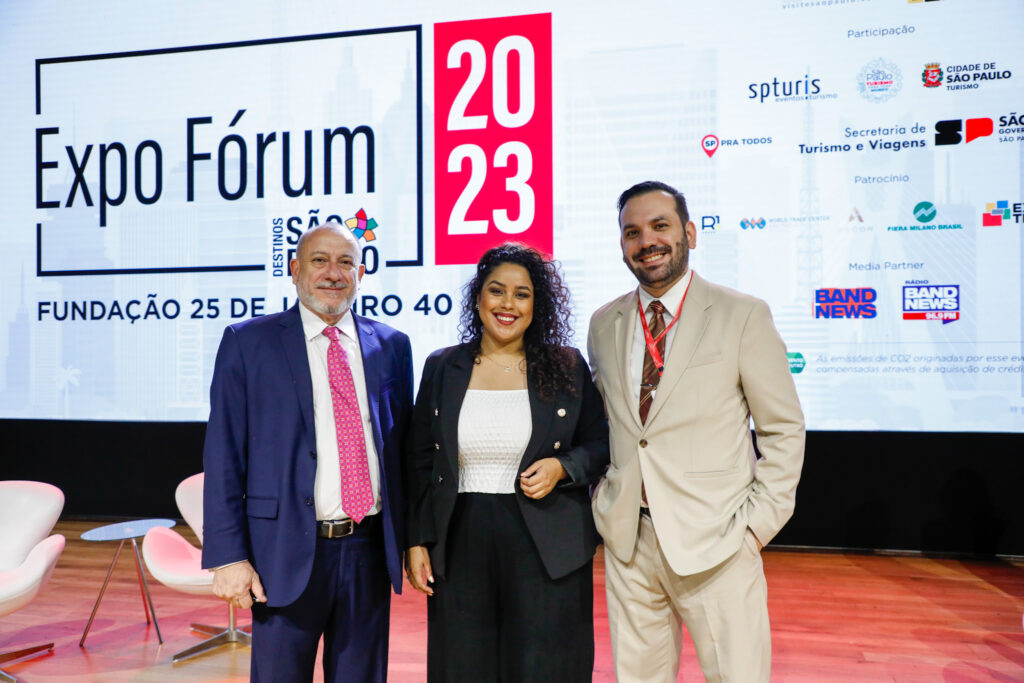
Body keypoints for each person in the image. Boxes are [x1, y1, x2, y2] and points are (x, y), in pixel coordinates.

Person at [587, 181, 805, 682]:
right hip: (630, 541)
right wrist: (607, 498)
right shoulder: (605, 323)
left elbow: (783, 429)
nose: (647, 241)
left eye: (660, 226)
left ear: (689, 232)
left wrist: (755, 528)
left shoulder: (742, 315)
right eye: (632, 232)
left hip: (719, 542)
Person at [201, 221, 414, 682]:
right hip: (283, 555)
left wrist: (413, 541)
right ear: (295, 269)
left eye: (345, 263)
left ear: (360, 273)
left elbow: (403, 454)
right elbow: (223, 456)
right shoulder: (248, 343)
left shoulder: (393, 347)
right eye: (320, 260)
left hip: (368, 551)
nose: (333, 273)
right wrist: (228, 556)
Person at [405, 242, 609, 682]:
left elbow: (601, 443)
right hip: (459, 537)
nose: (507, 304)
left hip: (547, 540)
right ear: (478, 297)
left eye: (522, 294)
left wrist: (563, 468)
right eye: (496, 291)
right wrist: (417, 540)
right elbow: (420, 460)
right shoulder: (442, 367)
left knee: (546, 666)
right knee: (462, 664)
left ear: (538, 305)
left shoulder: (566, 366)